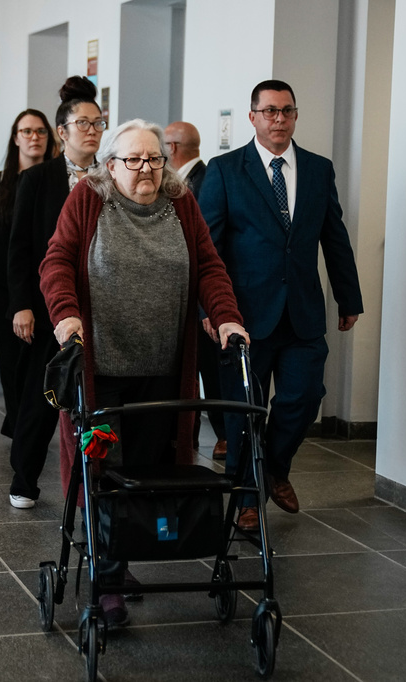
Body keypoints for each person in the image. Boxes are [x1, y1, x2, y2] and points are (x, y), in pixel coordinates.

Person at [40, 117, 248, 627]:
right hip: (102, 370)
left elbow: (210, 266)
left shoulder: (181, 203)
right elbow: (58, 261)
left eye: (154, 158)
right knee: (104, 469)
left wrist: (227, 319)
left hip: (163, 368)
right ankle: (108, 581)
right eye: (132, 160)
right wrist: (66, 315)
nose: (145, 169)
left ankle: (126, 554)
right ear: (111, 166)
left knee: (151, 469)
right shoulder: (88, 200)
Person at [199, 79, 363, 531]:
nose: (278, 119)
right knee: (243, 409)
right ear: (252, 117)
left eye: (286, 111)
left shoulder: (317, 169)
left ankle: (274, 468)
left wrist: (349, 297)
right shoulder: (226, 170)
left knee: (304, 398)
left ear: (295, 116)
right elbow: (206, 247)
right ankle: (248, 497)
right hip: (243, 317)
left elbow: (334, 237)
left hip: (304, 313)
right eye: (269, 111)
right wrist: (210, 311)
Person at [5, 76, 104, 509]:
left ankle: (95, 479)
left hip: (101, 302)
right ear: (62, 132)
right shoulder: (39, 179)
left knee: (97, 395)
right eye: (82, 123)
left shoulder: (111, 175)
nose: (92, 130)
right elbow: (20, 247)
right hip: (50, 303)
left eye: (98, 123)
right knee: (42, 394)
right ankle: (24, 478)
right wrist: (22, 304)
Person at [0, 109, 56, 436]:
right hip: (3, 284)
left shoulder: (58, 181)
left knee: (40, 362)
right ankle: (20, 425)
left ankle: (26, 423)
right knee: (12, 360)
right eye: (27, 131)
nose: (34, 137)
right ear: (16, 138)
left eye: (40, 131)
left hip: (46, 284)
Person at [166, 120, 225, 458]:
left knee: (210, 367)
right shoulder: (178, 182)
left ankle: (224, 433)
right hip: (179, 295)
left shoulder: (204, 182)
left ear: (172, 148)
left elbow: (208, 247)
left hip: (200, 296)